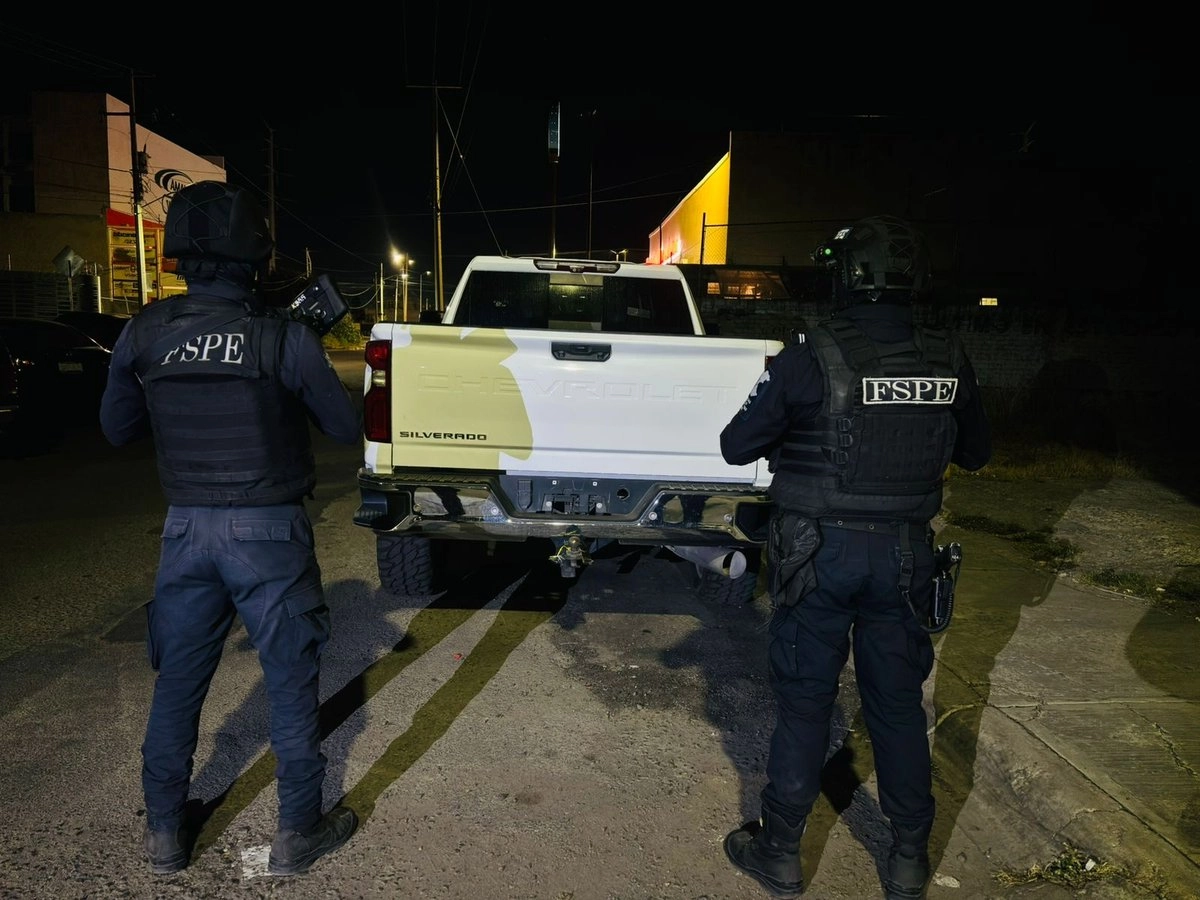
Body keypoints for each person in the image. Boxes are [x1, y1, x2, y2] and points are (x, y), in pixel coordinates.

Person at [719, 215, 992, 899]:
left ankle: (780, 851)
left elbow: (736, 444)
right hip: (904, 558)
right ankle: (906, 861)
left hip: (819, 556)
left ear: (848, 276)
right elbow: (977, 452)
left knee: (807, 706)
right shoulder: (946, 354)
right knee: (897, 708)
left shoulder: (814, 352)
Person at [99, 180, 362, 877]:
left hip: (186, 531)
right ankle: (297, 832)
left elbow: (116, 429)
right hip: (269, 534)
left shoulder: (145, 331)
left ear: (179, 251)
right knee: (290, 685)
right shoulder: (282, 337)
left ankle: (163, 836)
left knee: (178, 682)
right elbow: (345, 428)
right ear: (257, 255)